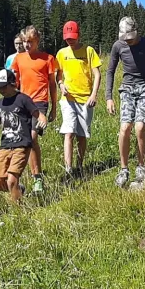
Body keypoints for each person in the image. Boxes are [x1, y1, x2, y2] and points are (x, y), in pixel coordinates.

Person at [105, 16, 145, 188]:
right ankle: (124, 169)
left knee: (140, 127)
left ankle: (141, 166)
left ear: (136, 32)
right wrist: (109, 97)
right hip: (127, 89)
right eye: (125, 39)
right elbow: (110, 71)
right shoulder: (118, 46)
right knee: (125, 127)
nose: (128, 41)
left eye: (130, 38)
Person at [0, 69, 48, 203]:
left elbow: (37, 114)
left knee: (11, 179)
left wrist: (43, 119)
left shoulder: (23, 99)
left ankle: (19, 210)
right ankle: (18, 190)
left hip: (22, 145)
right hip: (5, 146)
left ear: (12, 84)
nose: (1, 90)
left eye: (3, 86)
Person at [9, 25, 57, 194]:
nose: (27, 45)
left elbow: (52, 84)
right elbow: (15, 82)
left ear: (37, 41)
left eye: (30, 41)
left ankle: (37, 178)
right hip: (23, 102)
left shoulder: (48, 59)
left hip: (40, 103)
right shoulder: (18, 59)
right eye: (24, 41)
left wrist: (54, 108)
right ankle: (27, 175)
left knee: (32, 136)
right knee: (25, 140)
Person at [55, 21, 101, 178]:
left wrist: (94, 94)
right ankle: (68, 169)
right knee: (69, 133)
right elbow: (58, 76)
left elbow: (97, 74)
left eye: (73, 38)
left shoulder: (89, 51)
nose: (70, 41)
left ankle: (80, 165)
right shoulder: (61, 53)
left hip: (85, 100)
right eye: (67, 38)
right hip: (68, 99)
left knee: (82, 135)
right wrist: (61, 85)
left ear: (78, 35)